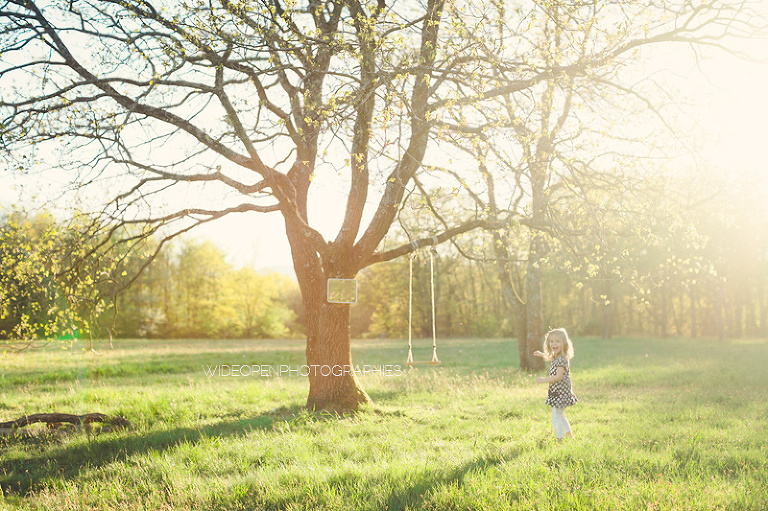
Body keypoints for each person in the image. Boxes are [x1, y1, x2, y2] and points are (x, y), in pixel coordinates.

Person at [534, 328, 578, 441]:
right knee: (561, 415)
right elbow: (550, 357)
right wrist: (541, 354)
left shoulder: (562, 359)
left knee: (556, 417)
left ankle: (560, 439)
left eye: (557, 341)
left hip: (561, 394)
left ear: (564, 343)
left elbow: (558, 377)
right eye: (551, 341)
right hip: (559, 393)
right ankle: (569, 435)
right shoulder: (557, 356)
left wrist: (543, 380)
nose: (554, 344)